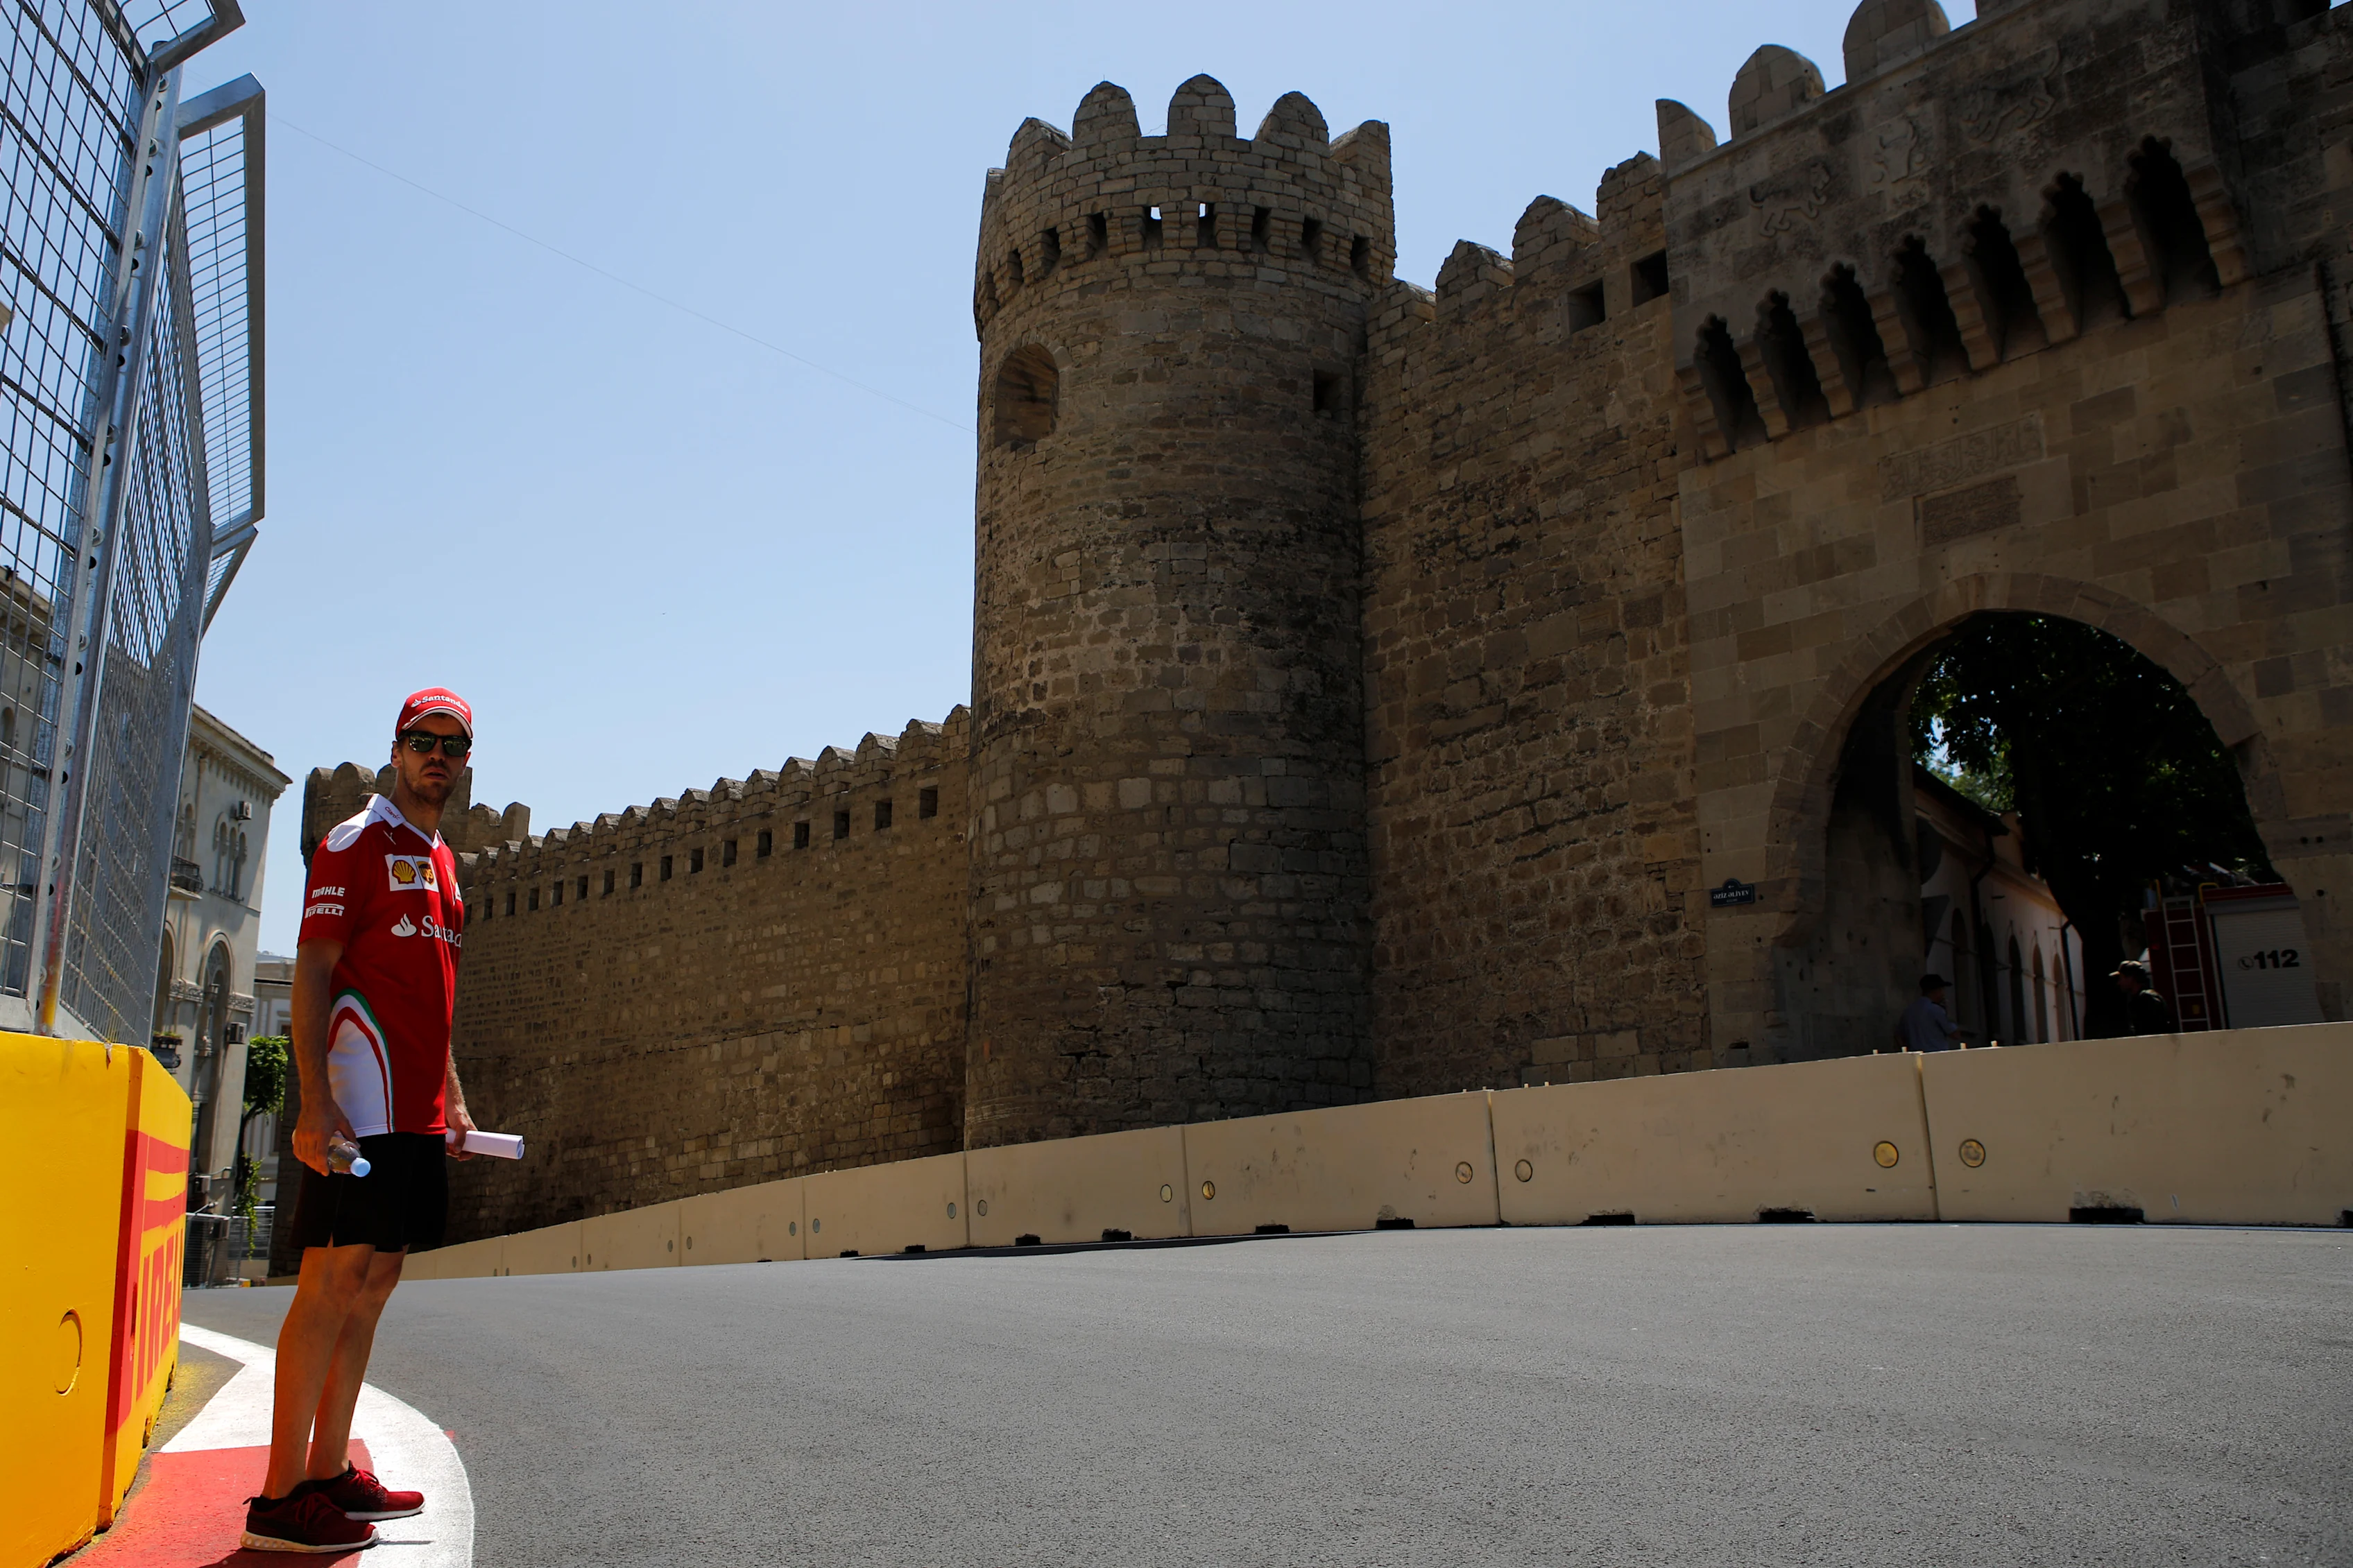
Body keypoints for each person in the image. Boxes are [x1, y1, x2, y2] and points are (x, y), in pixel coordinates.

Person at [241, 689, 479, 1553]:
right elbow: (312, 970)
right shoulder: (355, 843)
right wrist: (314, 1100)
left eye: (453, 746)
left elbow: (435, 997)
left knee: (374, 1285)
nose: (437, 758)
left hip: (415, 1114)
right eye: (424, 742)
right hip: (359, 1100)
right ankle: (278, 1496)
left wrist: (450, 1095)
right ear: (396, 749)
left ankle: (330, 1468)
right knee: (328, 1287)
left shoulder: (443, 860)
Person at [1893, 973, 1969, 1052]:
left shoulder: (1908, 1011)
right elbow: (1955, 1035)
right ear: (1937, 990)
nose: (1943, 994)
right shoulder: (1935, 1009)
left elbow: (1898, 1036)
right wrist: (1947, 1013)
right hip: (1936, 1056)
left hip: (1915, 1056)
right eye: (1942, 990)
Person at [2113, 958, 2175, 1035]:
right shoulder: (2137, 999)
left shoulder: (2147, 999)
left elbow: (2155, 1030)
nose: (2119, 983)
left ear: (2131, 978)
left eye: (2121, 978)